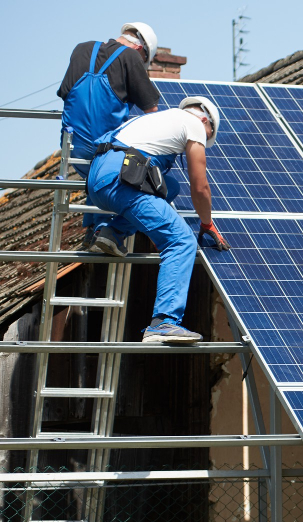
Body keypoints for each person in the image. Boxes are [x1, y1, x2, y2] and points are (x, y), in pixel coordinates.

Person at [86, 96, 231, 344]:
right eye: (207, 136)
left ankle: (112, 234)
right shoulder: (194, 124)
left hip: (100, 178)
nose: (204, 141)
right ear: (205, 120)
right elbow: (200, 187)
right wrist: (206, 222)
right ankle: (164, 323)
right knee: (181, 241)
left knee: (170, 187)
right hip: (122, 181)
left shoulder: (157, 119)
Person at [58, 22, 161, 239]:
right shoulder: (131, 57)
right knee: (127, 175)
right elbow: (151, 109)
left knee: (99, 170)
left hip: (71, 145)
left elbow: (65, 92)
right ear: (140, 49)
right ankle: (103, 229)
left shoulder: (81, 48)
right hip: (103, 146)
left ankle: (91, 231)